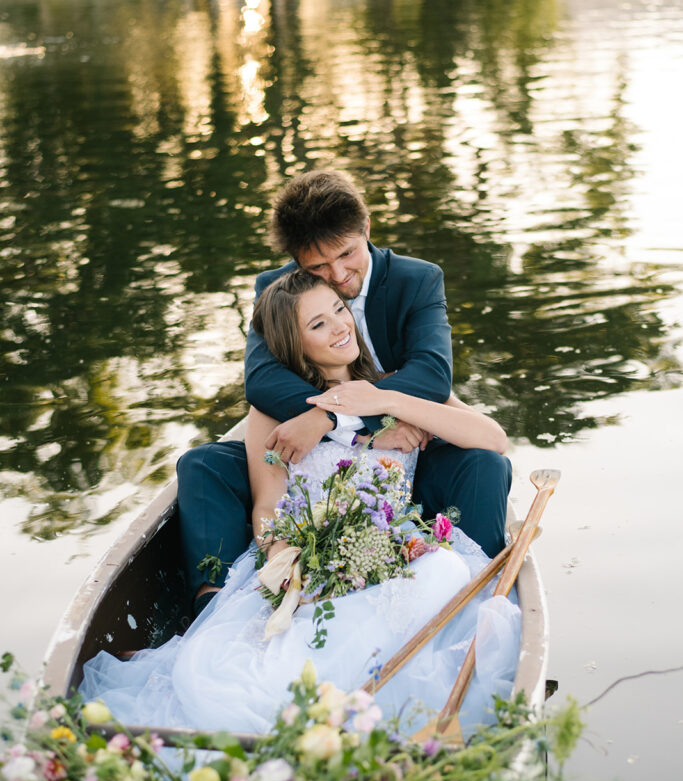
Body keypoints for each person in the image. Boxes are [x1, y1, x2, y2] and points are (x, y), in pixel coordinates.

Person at [80, 271, 520, 738]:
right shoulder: (274, 409)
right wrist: (281, 557)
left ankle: (351, 681)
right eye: (317, 325)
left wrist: (387, 401)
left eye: (338, 308)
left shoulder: (397, 387)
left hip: (393, 548)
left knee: (447, 571)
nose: (338, 326)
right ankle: (321, 691)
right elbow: (268, 504)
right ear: (295, 345)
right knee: (223, 667)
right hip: (312, 556)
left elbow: (493, 439)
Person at [177, 169, 512, 621]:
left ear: (365, 230)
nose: (336, 276)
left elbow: (432, 376)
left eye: (347, 254)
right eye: (316, 267)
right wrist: (343, 427)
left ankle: (479, 595)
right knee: (203, 464)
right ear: (297, 262)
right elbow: (261, 384)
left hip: (410, 445)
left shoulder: (419, 281)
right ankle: (209, 608)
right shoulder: (276, 293)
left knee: (485, 466)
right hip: (309, 457)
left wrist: (350, 415)